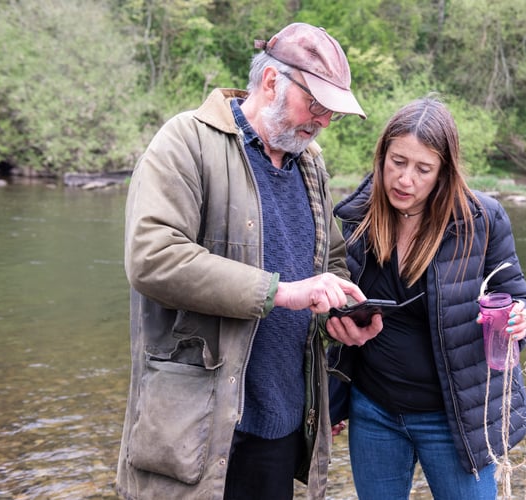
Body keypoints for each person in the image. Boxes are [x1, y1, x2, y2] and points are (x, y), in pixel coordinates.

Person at [115, 22, 382, 500]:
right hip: (195, 424)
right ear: (272, 81)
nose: (322, 121)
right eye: (316, 105)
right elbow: (152, 258)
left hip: (280, 423)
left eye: (331, 113)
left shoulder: (310, 165)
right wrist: (280, 291)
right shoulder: (185, 142)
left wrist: (340, 312)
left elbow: (332, 260)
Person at [329, 96, 526, 499]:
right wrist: (335, 389)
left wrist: (521, 317)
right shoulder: (359, 218)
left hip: (455, 419)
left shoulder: (482, 221)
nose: (405, 180)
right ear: (381, 156)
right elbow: (336, 308)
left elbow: (519, 298)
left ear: (444, 172)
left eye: (423, 169)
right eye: (397, 162)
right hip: (374, 411)